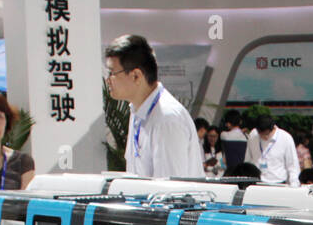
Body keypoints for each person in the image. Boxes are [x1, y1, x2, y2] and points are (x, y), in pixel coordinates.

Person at [104, 34, 203, 178]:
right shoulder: (137, 111)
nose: (108, 80)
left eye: (112, 73)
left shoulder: (166, 119)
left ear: (136, 76)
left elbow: (170, 192)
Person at [244, 114, 300, 186]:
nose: (264, 137)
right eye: (261, 134)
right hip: (256, 182)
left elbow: (292, 165)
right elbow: (248, 159)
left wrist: (294, 185)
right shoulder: (253, 135)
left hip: (278, 183)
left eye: (266, 134)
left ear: (273, 128)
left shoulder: (285, 138)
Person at [219, 109, 248, 173]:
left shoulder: (224, 135)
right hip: (242, 170)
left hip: (229, 170)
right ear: (240, 122)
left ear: (228, 123)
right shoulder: (246, 137)